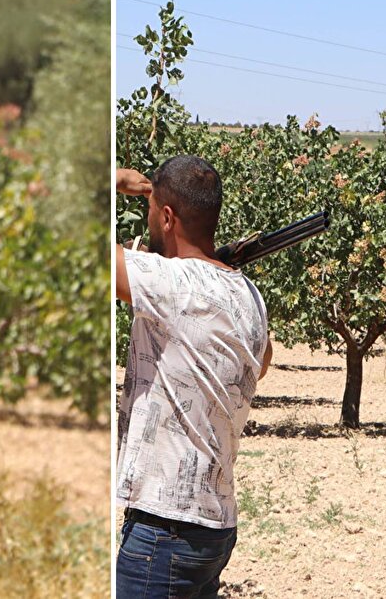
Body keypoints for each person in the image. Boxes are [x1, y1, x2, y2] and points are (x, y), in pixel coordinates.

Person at [114, 156, 272, 599]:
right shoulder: (250, 295)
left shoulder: (173, 282)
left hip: (164, 529)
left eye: (151, 211)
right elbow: (261, 359)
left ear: (167, 216)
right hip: (214, 527)